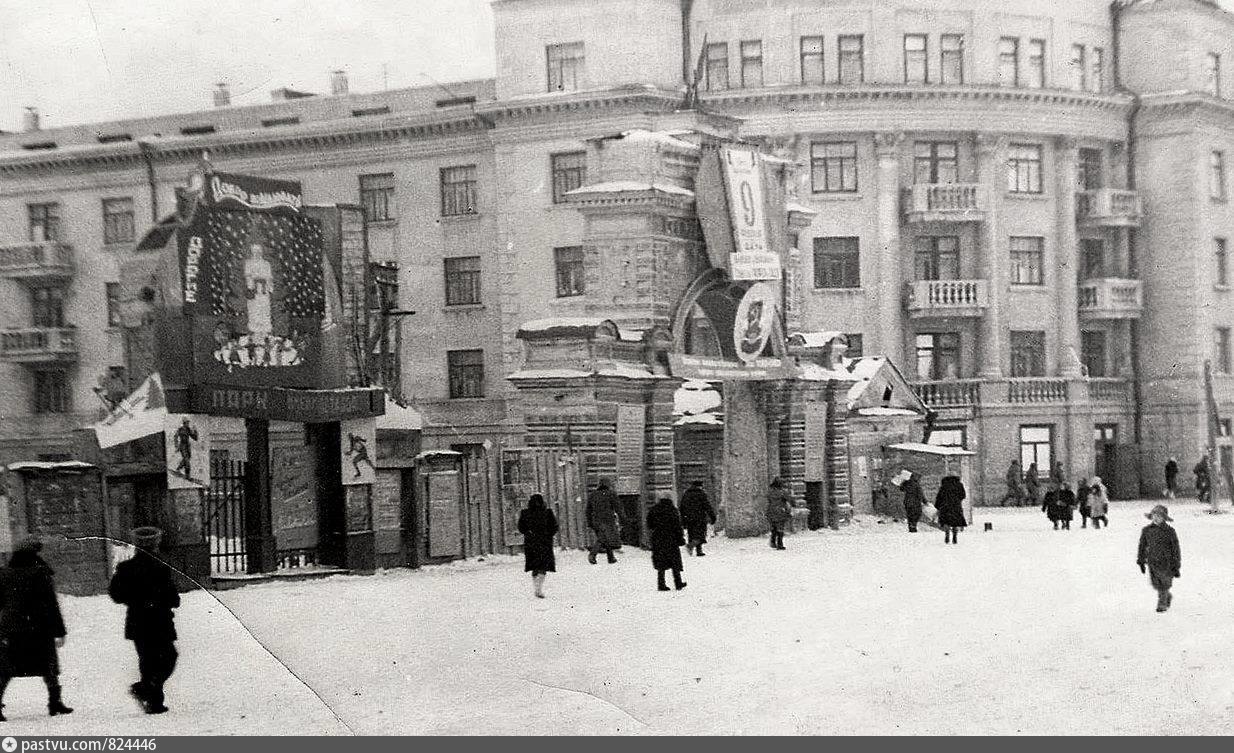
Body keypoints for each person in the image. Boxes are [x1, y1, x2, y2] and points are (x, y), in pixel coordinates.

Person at [109, 527, 180, 715]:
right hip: (160, 620)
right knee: (168, 657)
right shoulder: (161, 567)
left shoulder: (125, 568)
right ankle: (148, 693)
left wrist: (135, 600)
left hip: (138, 621)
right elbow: (173, 598)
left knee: (147, 660)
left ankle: (152, 699)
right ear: (156, 544)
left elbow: (115, 594)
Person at [0, 539, 73, 720]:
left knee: (7, 669)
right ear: (35, 553)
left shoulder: (4, 573)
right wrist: (60, 631)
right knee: (48, 667)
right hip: (39, 627)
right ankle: (55, 702)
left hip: (12, 628)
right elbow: (51, 604)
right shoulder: (41, 572)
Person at [1137, 504, 1181, 613]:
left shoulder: (1170, 531)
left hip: (1167, 562)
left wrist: (1176, 564)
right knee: (1156, 583)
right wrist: (1141, 560)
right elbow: (1142, 546)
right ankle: (1166, 596)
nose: (1156, 518)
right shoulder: (1147, 530)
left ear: (1164, 518)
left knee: (1164, 582)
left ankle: (1162, 603)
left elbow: (1175, 548)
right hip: (1153, 561)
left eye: (1159, 516)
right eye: (1154, 515)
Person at [517, 494, 558, 599]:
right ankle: (538, 589)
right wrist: (548, 534)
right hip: (545, 543)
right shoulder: (548, 512)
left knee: (534, 566)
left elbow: (521, 527)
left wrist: (528, 533)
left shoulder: (525, 513)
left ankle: (537, 587)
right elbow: (554, 526)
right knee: (543, 566)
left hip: (531, 543)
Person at [646, 498, 687, 592]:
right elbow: (677, 526)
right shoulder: (672, 510)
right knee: (675, 561)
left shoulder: (654, 510)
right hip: (671, 538)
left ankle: (661, 584)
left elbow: (649, 524)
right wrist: (680, 539)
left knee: (661, 561)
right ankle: (678, 583)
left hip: (658, 537)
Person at [585, 479, 622, 565]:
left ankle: (611, 558)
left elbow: (588, 510)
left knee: (605, 538)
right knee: (603, 538)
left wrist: (589, 522)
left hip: (595, 521)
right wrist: (624, 520)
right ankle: (592, 554)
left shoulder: (592, 495)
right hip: (607, 520)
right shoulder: (611, 494)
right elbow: (618, 508)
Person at [678, 481, 717, 557]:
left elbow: (682, 507)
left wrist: (683, 518)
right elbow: (707, 506)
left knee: (692, 534)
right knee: (700, 535)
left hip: (689, 518)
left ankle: (695, 550)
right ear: (699, 486)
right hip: (700, 518)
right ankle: (692, 547)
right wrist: (712, 516)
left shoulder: (686, 494)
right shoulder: (701, 494)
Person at [935, 476, 967, 545]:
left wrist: (937, 506)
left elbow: (939, 497)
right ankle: (955, 536)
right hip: (956, 506)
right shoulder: (959, 485)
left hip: (945, 506)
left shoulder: (944, 486)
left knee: (946, 521)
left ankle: (947, 533)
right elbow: (963, 495)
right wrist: (957, 500)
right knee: (955, 522)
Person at [765, 478, 792, 550]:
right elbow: (789, 498)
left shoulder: (770, 492)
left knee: (774, 527)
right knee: (780, 528)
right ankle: (780, 544)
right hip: (780, 511)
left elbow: (768, 499)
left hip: (771, 511)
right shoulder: (782, 492)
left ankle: (773, 541)